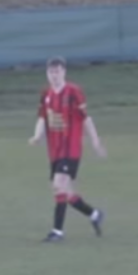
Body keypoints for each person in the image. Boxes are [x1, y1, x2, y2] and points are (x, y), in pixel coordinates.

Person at [29, 59, 106, 244]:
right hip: (54, 149)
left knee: (58, 184)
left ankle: (57, 232)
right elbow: (42, 117)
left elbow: (86, 119)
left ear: (64, 72)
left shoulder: (73, 92)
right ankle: (94, 214)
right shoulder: (46, 94)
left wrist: (95, 141)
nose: (54, 75)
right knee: (65, 192)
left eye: (57, 71)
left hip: (70, 148)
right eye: (51, 72)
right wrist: (37, 136)